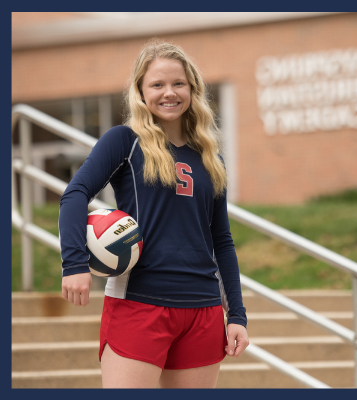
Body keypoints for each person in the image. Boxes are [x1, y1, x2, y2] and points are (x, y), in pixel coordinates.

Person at [59, 39, 249, 389]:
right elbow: (75, 195)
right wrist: (74, 264)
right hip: (138, 302)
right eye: (157, 84)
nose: (169, 93)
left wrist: (236, 314)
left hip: (203, 310)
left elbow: (221, 241)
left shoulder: (211, 159)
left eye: (178, 83)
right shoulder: (124, 141)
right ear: (140, 91)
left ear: (192, 88)